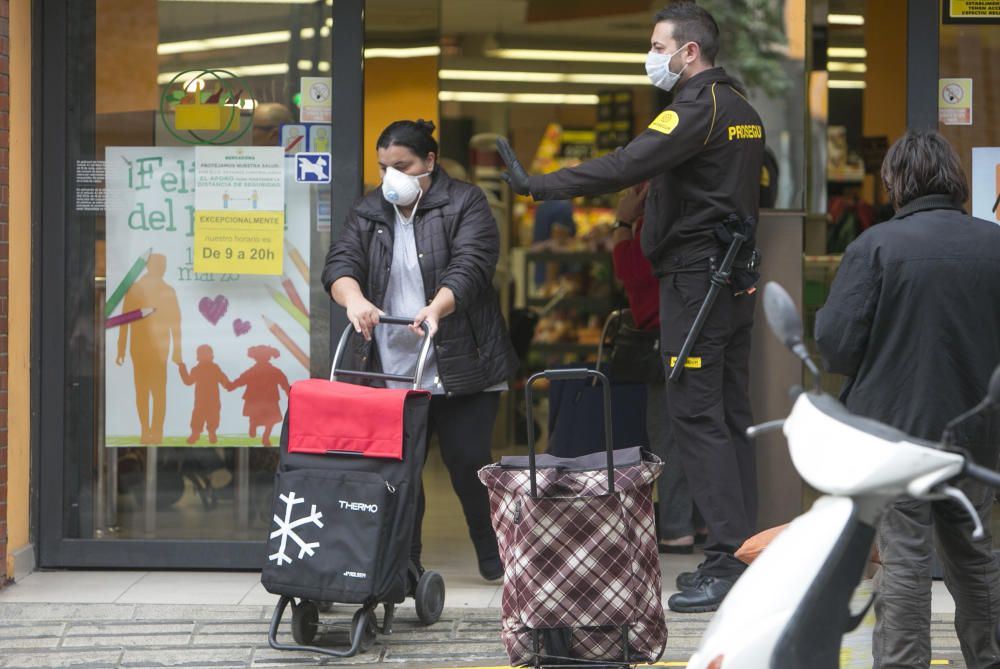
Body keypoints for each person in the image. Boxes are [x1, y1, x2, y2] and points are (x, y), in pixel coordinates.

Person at [497, 2, 764, 612]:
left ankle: (727, 560)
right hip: (726, 284)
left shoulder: (697, 108)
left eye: (657, 45)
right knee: (729, 416)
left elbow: (627, 165)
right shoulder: (743, 110)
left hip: (696, 283)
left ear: (688, 51)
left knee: (697, 418)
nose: (652, 56)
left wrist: (541, 185)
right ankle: (740, 553)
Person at [815, 129, 1000, 669]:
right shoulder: (994, 245)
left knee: (904, 560)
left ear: (895, 182)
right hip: (978, 434)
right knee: (974, 557)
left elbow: (836, 345)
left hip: (895, 434)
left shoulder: (875, 246)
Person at [322, 119, 519, 582]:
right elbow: (341, 262)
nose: (391, 175)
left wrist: (437, 308)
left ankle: (495, 559)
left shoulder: (465, 202)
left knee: (468, 459)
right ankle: (405, 564)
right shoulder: (370, 210)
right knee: (400, 469)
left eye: (402, 165)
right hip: (392, 365)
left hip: (462, 358)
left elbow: (472, 265)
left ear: (429, 162)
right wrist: (355, 300)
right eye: (383, 167)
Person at [612, 182, 704, 554]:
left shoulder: (654, 223)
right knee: (701, 433)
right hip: (699, 336)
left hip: (666, 340)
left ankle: (677, 529)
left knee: (668, 436)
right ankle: (702, 524)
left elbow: (632, 274)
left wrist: (621, 222)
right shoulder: (693, 217)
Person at [116, 253, 183, 445]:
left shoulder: (160, 290)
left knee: (149, 392)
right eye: (161, 264)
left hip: (150, 350)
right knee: (151, 392)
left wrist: (177, 352)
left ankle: (153, 432)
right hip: (147, 350)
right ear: (151, 266)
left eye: (164, 264)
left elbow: (175, 323)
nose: (162, 268)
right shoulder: (139, 290)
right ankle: (149, 431)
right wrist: (120, 349)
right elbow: (125, 321)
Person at [229, 345, 291, 447]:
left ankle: (259, 431)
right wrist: (290, 393)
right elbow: (284, 383)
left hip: (261, 399)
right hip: (265, 399)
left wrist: (231, 386)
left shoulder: (257, 370)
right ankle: (261, 433)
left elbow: (241, 380)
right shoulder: (273, 370)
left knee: (266, 418)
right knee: (269, 419)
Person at [178, 344, 231, 445]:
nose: (205, 356)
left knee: (213, 417)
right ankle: (195, 434)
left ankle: (212, 433)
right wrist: (182, 368)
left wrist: (228, 385)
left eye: (207, 354)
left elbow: (222, 378)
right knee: (197, 417)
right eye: (202, 354)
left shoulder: (215, 368)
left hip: (213, 400)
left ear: (211, 356)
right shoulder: (196, 369)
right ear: (198, 356)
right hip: (200, 401)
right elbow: (188, 381)